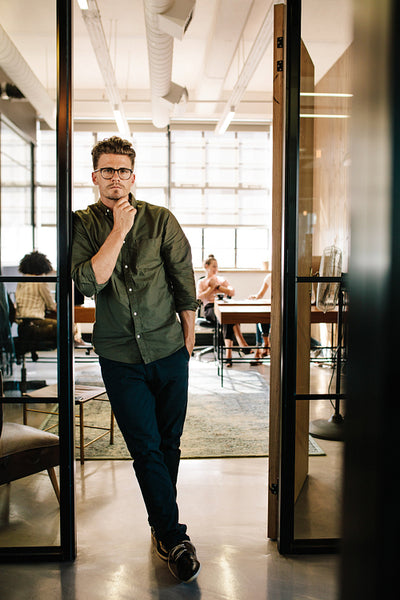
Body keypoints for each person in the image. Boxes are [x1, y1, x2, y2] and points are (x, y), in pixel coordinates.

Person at [70, 136, 200, 583]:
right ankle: (174, 535)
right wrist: (119, 230)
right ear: (94, 177)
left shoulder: (161, 219)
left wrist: (187, 332)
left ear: (133, 176)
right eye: (107, 170)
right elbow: (90, 281)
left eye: (123, 171)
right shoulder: (82, 225)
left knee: (170, 443)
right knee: (144, 446)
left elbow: (183, 278)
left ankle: (161, 525)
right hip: (120, 355)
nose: (116, 178)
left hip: (168, 349)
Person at [196, 254, 252, 367]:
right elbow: (199, 297)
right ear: (206, 266)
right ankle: (239, 346)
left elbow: (232, 292)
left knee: (228, 316)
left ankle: (229, 355)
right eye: (213, 266)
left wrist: (218, 287)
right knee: (227, 317)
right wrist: (211, 288)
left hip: (223, 306)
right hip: (210, 308)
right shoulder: (202, 282)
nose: (216, 269)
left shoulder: (221, 280)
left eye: (217, 267)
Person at [248, 272, 271, 360]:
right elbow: (260, 295)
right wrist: (254, 297)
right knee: (260, 316)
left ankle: (261, 349)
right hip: (273, 308)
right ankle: (265, 344)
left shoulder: (284, 276)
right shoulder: (269, 277)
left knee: (263, 315)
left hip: (283, 308)